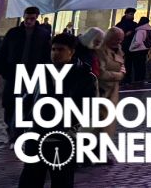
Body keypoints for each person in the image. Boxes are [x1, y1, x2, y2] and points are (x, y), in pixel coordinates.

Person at [16, 32, 97, 188]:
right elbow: (27, 101)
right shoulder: (41, 72)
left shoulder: (84, 76)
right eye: (53, 49)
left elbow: (86, 108)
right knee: (30, 180)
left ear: (71, 52)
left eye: (60, 50)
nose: (55, 53)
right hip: (36, 136)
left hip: (63, 139)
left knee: (62, 181)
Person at [0, 6, 51, 142]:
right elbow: (3, 53)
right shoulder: (13, 33)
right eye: (26, 18)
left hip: (33, 74)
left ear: (36, 17)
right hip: (13, 73)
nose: (28, 21)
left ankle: (19, 131)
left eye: (31, 18)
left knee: (27, 102)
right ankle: (11, 128)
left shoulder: (43, 34)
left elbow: (46, 55)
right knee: (10, 102)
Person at [96, 27, 126, 137]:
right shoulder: (100, 51)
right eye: (117, 39)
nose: (119, 41)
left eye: (121, 39)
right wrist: (119, 75)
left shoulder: (119, 50)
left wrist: (121, 72)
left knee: (108, 118)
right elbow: (101, 72)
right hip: (101, 89)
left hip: (112, 90)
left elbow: (122, 65)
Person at [126, 16, 151, 85]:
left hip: (138, 50)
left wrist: (131, 48)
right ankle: (141, 79)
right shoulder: (148, 29)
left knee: (137, 66)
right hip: (145, 49)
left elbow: (138, 42)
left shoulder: (140, 30)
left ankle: (137, 79)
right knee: (142, 65)